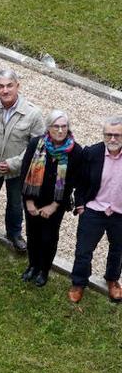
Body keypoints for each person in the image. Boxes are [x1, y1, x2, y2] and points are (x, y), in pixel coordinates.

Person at [0, 68, 45, 257]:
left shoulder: (33, 114)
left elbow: (38, 147)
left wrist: (15, 164)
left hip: (18, 170)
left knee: (15, 204)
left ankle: (14, 234)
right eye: (1, 86)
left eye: (9, 86)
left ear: (17, 86)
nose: (5, 91)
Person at [19, 110, 83, 287]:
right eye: (56, 126)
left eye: (64, 126)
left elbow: (71, 182)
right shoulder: (35, 144)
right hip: (33, 199)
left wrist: (54, 206)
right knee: (32, 234)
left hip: (56, 202)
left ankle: (44, 270)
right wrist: (29, 201)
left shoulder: (76, 151)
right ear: (48, 128)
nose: (60, 130)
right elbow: (25, 172)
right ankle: (32, 265)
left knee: (48, 237)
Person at [68, 117, 122, 304]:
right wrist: (81, 205)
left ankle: (112, 279)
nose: (112, 139)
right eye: (108, 134)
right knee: (83, 250)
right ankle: (79, 282)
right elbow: (80, 181)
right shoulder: (92, 153)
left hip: (120, 213)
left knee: (118, 249)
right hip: (94, 209)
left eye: (117, 135)